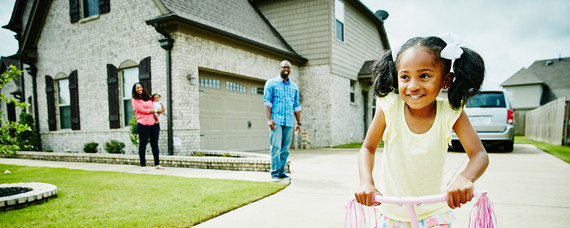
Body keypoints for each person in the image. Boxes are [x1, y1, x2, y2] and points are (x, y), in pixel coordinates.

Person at [354, 34, 489, 227]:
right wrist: (366, 182)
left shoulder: (450, 111)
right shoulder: (390, 106)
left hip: (435, 213)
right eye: (405, 77)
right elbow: (368, 148)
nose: (413, 86)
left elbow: (479, 154)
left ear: (446, 80)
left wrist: (464, 179)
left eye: (424, 75)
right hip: (392, 214)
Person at [263, 60, 301, 181]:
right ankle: (274, 173)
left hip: (289, 122)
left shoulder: (294, 87)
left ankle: (281, 171)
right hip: (276, 121)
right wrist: (269, 119)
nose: (286, 69)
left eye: (288, 67)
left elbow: (296, 106)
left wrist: (298, 123)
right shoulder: (271, 83)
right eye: (284, 67)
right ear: (279, 68)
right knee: (276, 147)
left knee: (285, 149)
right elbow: (267, 102)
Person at [131, 83, 164, 171]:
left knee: (155, 144)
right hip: (142, 125)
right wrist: (156, 110)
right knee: (143, 145)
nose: (139, 89)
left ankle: (157, 164)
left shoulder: (149, 97)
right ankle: (143, 165)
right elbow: (143, 110)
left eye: (140, 87)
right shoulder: (134, 100)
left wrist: (158, 114)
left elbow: (156, 104)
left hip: (154, 124)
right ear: (135, 90)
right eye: (137, 88)